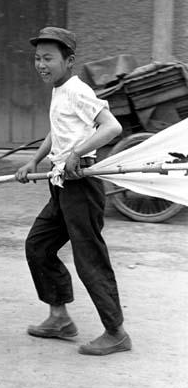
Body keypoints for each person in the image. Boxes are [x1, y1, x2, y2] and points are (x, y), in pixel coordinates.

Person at [16, 26, 132, 356]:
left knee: (89, 260)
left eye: (49, 58)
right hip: (60, 184)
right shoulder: (59, 89)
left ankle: (116, 332)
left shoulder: (78, 91)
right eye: (37, 58)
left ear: (69, 61)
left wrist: (77, 154)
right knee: (38, 245)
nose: (41, 64)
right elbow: (59, 131)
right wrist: (34, 161)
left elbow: (112, 127)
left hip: (81, 186)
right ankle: (59, 318)